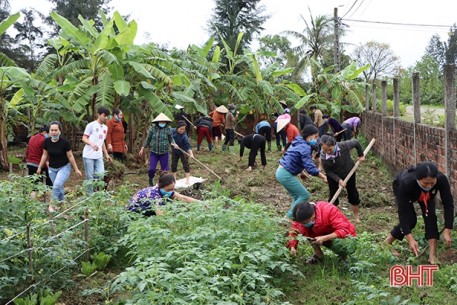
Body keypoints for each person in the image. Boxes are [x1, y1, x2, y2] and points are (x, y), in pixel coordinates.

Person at [383, 162, 454, 264]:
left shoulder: (441, 179)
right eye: (425, 183)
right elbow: (402, 214)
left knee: (431, 217)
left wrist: (447, 230)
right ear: (418, 178)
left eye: (432, 183)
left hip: (426, 196)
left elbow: (448, 204)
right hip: (403, 188)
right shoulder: (407, 182)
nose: (429, 186)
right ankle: (386, 243)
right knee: (410, 220)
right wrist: (410, 239)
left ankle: (432, 256)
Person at [275, 125, 327, 219]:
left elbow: (294, 159)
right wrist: (323, 177)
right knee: (304, 195)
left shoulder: (298, 141)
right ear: (308, 136)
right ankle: (288, 217)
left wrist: (301, 172)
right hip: (285, 174)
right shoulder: (305, 147)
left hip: (281, 171)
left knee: (297, 196)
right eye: (315, 137)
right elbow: (310, 168)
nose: (316, 139)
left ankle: (293, 216)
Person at [287, 201, 357, 263]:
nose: (303, 224)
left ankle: (344, 257)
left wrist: (324, 238)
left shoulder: (328, 210)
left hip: (346, 236)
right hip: (322, 235)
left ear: (313, 215)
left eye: (305, 222)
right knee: (305, 230)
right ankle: (318, 255)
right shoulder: (301, 217)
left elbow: (344, 229)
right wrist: (292, 247)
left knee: (339, 245)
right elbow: (294, 231)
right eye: (301, 223)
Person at [320, 134, 365, 223]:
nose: (328, 152)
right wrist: (339, 180)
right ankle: (332, 218)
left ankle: (356, 217)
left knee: (353, 193)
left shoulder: (343, 146)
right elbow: (328, 172)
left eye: (330, 149)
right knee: (333, 195)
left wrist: (361, 155)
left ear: (334, 144)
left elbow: (356, 142)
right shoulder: (324, 157)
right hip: (333, 176)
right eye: (325, 150)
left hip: (349, 171)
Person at [37, 121, 82, 202]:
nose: (54, 132)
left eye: (56, 130)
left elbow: (70, 156)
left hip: (64, 167)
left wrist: (76, 169)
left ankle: (52, 205)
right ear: (49, 131)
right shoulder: (46, 142)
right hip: (52, 168)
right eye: (52, 130)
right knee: (59, 188)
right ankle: (62, 205)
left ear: (60, 131)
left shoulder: (65, 143)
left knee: (56, 186)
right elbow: (44, 155)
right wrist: (40, 167)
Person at [128, 173, 198, 217]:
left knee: (169, 203)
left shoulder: (165, 190)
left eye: (172, 189)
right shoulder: (154, 195)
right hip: (134, 212)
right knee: (167, 206)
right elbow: (160, 215)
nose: (171, 192)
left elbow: (183, 198)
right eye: (169, 190)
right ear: (161, 186)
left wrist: (202, 203)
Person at [139, 113, 178, 186]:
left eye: (164, 122)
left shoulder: (168, 129)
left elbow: (171, 139)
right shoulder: (152, 129)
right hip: (154, 152)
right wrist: (142, 148)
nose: (162, 123)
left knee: (165, 171)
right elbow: (148, 139)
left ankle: (162, 184)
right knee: (151, 169)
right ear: (157, 122)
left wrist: (174, 144)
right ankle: (151, 180)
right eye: (161, 121)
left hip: (164, 152)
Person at [82, 107, 112, 193]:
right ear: (98, 115)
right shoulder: (91, 125)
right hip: (88, 155)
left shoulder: (105, 128)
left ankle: (95, 191)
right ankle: (90, 196)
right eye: (104, 115)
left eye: (107, 116)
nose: (106, 118)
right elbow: (84, 138)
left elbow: (102, 141)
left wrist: (106, 154)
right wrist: (91, 143)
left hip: (99, 156)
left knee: (100, 174)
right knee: (89, 177)